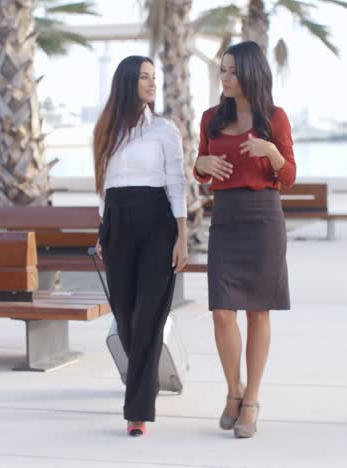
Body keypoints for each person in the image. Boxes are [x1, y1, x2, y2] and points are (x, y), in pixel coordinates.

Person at [193, 41, 296, 439]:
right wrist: (199, 165)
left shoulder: (275, 118)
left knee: (258, 311)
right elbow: (201, 167)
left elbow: (287, 177)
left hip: (264, 219)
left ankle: (250, 399)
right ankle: (232, 390)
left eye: (233, 70)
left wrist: (269, 149)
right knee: (222, 311)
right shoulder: (210, 118)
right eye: (223, 70)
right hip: (226, 218)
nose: (226, 77)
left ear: (251, 72)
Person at [93, 55, 188, 437]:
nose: (152, 83)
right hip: (117, 222)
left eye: (154, 77)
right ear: (127, 82)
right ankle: (144, 382)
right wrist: (102, 231)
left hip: (157, 224)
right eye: (144, 77)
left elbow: (177, 184)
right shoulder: (105, 130)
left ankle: (137, 410)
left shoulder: (165, 130)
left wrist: (181, 236)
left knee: (149, 314)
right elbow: (102, 185)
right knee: (127, 316)